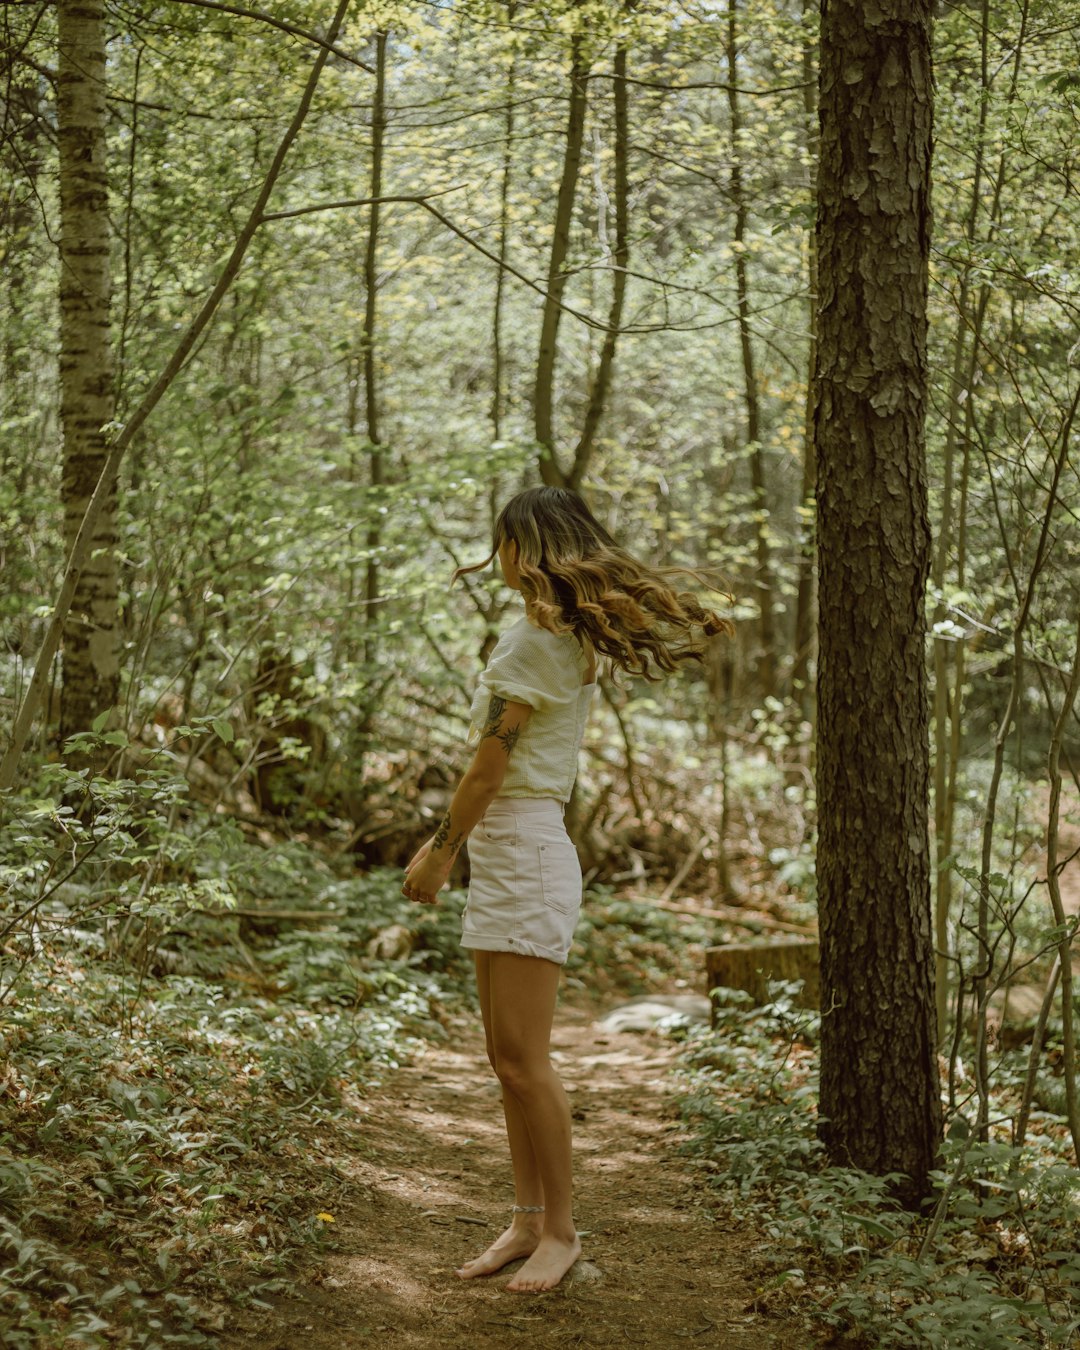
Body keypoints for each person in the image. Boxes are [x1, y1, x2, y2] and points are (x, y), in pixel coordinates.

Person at [401, 485, 731, 1293]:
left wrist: (440, 852)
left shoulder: (537, 644)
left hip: (522, 850)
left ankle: (561, 1231)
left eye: (506, 543)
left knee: (526, 1061)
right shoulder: (558, 640)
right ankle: (524, 1220)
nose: (500, 559)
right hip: (514, 849)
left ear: (529, 549)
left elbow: (488, 767)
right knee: (505, 1060)